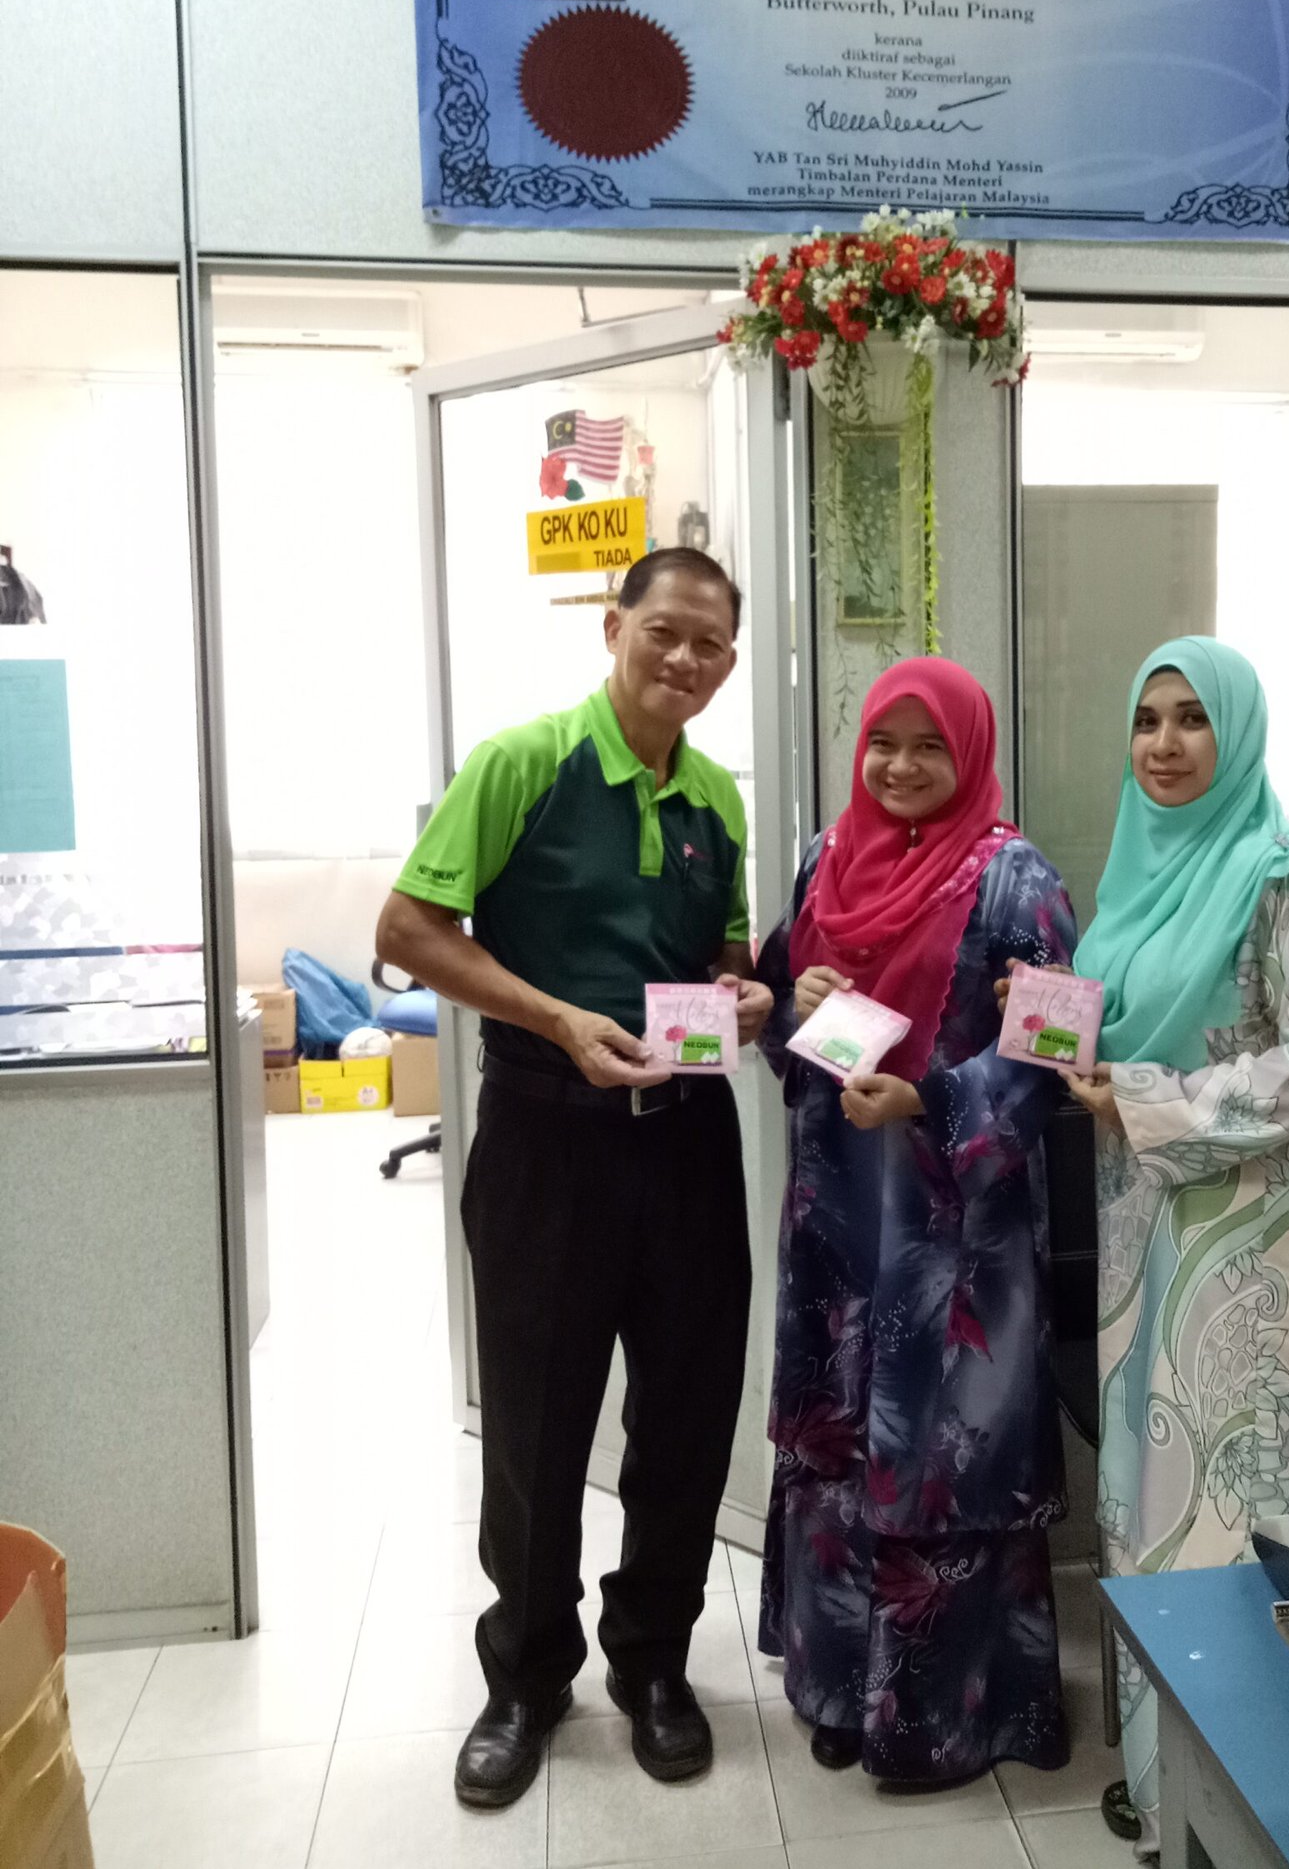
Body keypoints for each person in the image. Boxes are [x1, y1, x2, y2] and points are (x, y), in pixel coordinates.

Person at [375, 548, 773, 1806]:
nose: (685, 660)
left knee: (688, 1417)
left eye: (710, 644)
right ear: (614, 629)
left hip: (688, 1137)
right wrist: (556, 1019)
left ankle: (652, 1662)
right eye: (664, 632)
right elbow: (407, 931)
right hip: (546, 1138)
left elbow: (718, 958)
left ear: (728, 661)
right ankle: (526, 1677)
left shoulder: (715, 799)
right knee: (539, 1424)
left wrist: (745, 997)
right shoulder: (522, 763)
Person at [1063, 638, 1289, 1858]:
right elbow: (1129, 1028)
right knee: (1162, 1506)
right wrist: (1064, 1036)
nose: (1162, 743)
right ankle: (1175, 1795)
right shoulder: (1137, 874)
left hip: (1266, 1262)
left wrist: (1153, 1102)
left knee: (1269, 1519)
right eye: (1146, 718)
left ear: (1238, 733)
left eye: (1191, 718)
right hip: (1152, 1243)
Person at [753, 657, 1078, 1783]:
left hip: (954, 1235)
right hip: (835, 1216)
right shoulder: (825, 857)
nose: (899, 766)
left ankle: (946, 1717)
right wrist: (790, 1004)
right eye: (883, 743)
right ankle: (838, 1691)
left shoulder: (1016, 878)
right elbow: (780, 1008)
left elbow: (1054, 1049)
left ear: (969, 751)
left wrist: (931, 1100)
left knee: (942, 1450)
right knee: (838, 1440)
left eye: (928, 745)